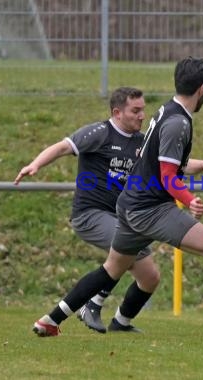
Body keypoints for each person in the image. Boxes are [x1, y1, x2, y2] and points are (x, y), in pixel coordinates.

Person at [31, 56, 203, 338]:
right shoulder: (178, 122)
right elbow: (168, 176)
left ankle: (51, 320)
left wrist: (201, 165)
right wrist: (189, 198)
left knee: (111, 270)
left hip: (130, 206)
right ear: (202, 89)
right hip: (150, 209)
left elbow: (160, 163)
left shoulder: (166, 111)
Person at [15, 87, 160, 333]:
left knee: (150, 276)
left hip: (120, 218)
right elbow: (62, 147)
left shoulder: (141, 142)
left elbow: (175, 164)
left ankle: (121, 323)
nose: (142, 115)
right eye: (135, 110)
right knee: (126, 249)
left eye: (143, 110)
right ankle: (85, 306)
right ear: (117, 112)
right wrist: (35, 164)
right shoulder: (99, 133)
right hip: (89, 215)